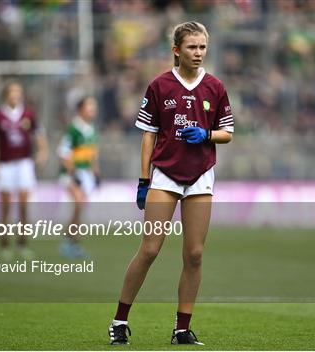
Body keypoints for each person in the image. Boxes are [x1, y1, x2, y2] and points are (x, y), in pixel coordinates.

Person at [108, 21, 234, 346]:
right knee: (150, 249)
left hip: (200, 175)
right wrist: (143, 180)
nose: (198, 53)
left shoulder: (215, 87)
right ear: (176, 50)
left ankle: (182, 329)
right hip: (165, 175)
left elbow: (227, 132)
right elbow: (148, 136)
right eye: (192, 47)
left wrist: (206, 134)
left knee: (194, 254)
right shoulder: (159, 86)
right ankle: (119, 320)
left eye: (202, 47)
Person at [0, 81, 48, 261]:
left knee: (24, 206)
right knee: (6, 207)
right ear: (6, 95)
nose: (16, 95)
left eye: (18, 92)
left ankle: (23, 244)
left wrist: (42, 152)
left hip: (24, 164)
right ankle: (4, 244)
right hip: (5, 165)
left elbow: (40, 134)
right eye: (13, 92)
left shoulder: (28, 114)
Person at [57, 96, 100, 258]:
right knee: (79, 202)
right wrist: (73, 173)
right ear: (80, 109)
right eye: (89, 107)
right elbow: (63, 153)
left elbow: (93, 154)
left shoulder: (91, 129)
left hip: (85, 173)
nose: (92, 110)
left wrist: (96, 173)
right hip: (72, 174)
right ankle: (70, 241)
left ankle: (72, 241)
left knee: (80, 207)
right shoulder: (73, 129)